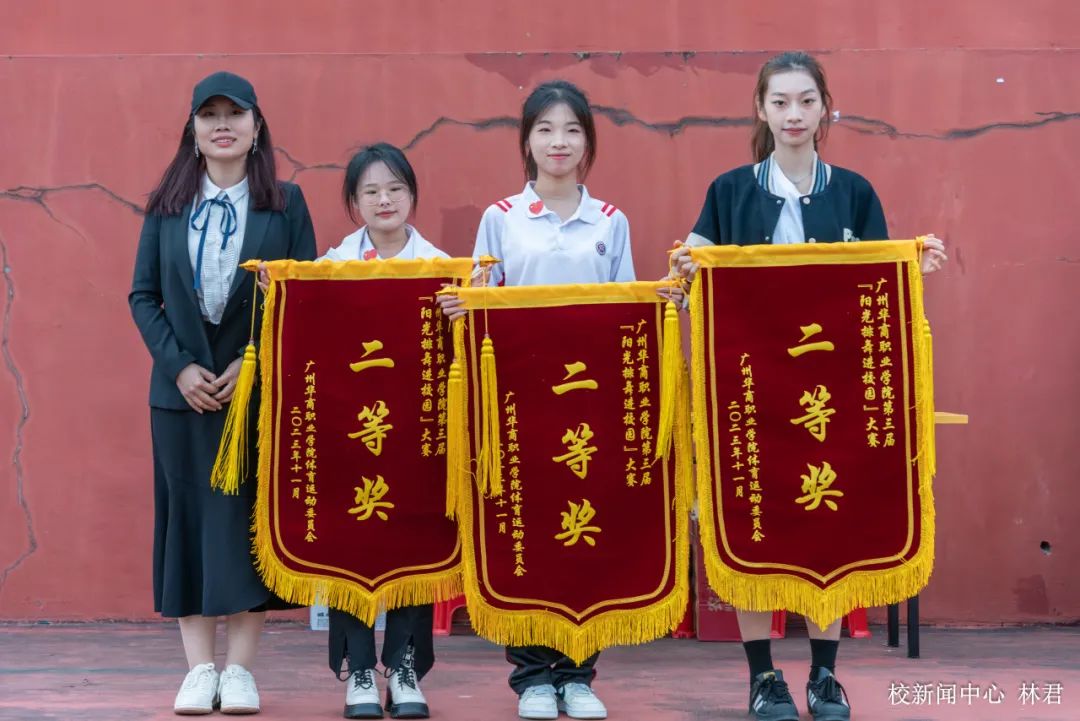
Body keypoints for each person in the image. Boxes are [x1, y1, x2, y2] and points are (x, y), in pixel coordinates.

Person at [670, 51, 947, 721]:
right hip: (750, 399)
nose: (793, 114)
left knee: (830, 527)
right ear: (761, 110)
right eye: (780, 102)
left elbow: (878, 285)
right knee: (751, 524)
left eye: (805, 101)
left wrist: (912, 266)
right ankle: (763, 677)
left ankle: (825, 676)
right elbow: (689, 275)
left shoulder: (854, 192)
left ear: (825, 108)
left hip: (832, 398)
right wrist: (684, 268)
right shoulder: (729, 191)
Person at [439, 79, 681, 721]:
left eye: (572, 130)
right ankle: (532, 678)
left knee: (584, 528)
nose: (559, 142)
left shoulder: (610, 221)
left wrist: (662, 302)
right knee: (523, 527)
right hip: (519, 404)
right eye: (545, 129)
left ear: (587, 142)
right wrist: (465, 307)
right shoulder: (501, 218)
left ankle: (578, 674)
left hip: (590, 405)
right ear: (526, 141)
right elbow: (483, 297)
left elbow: (625, 307)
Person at [129, 70, 316, 716]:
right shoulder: (166, 204)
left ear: (256, 126)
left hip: (251, 397)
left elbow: (302, 294)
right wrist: (180, 367)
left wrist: (251, 362)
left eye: (235, 114)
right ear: (193, 130)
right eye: (209, 116)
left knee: (242, 526)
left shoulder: (285, 204)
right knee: (185, 522)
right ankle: (197, 669)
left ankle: (239, 670)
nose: (222, 126)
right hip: (180, 398)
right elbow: (143, 296)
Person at [273, 143, 444, 720]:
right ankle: (360, 669)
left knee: (417, 543)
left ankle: (405, 666)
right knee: (349, 545)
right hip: (352, 434)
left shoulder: (441, 268)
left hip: (418, 435)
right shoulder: (332, 268)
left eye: (395, 188)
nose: (384, 200)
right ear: (353, 201)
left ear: (412, 195)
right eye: (370, 191)